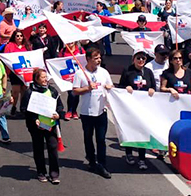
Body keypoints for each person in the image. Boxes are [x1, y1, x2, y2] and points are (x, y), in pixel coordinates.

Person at [72, 47, 114, 179]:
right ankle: (91, 159)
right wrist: (86, 88)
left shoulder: (104, 72)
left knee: (101, 139)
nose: (98, 60)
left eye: (99, 57)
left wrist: (109, 87)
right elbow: (74, 91)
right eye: (95, 58)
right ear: (88, 59)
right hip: (87, 112)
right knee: (88, 137)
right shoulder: (80, 73)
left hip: (101, 111)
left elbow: (111, 86)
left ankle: (102, 164)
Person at [20, 67, 63, 184]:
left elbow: (60, 106)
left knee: (53, 148)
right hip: (36, 127)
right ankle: (41, 172)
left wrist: (58, 114)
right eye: (43, 77)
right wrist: (34, 119)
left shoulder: (52, 91)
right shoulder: (30, 92)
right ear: (36, 79)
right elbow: (24, 109)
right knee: (38, 149)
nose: (45, 80)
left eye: (46, 77)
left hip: (50, 125)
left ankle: (54, 174)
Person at [117, 49, 156, 170]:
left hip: (144, 107)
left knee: (142, 131)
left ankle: (142, 158)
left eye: (143, 58)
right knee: (130, 130)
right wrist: (126, 87)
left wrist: (152, 90)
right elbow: (120, 86)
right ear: (133, 59)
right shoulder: (128, 71)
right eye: (138, 58)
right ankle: (129, 154)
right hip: (130, 107)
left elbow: (153, 86)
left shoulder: (148, 72)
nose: (141, 60)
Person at [2, 30, 31, 116]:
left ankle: (23, 108)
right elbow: (6, 58)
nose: (19, 38)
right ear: (14, 37)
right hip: (14, 72)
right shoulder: (9, 46)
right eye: (17, 36)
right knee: (15, 91)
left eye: (21, 36)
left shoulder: (27, 46)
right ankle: (13, 107)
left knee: (24, 91)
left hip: (25, 72)